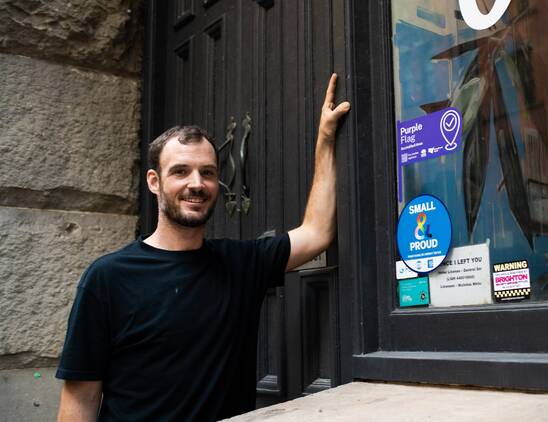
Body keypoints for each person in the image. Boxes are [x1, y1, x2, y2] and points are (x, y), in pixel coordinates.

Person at [55, 74, 351, 421]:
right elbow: (80, 400)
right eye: (180, 171)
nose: (196, 184)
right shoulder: (107, 278)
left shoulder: (241, 263)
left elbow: (316, 232)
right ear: (155, 182)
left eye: (207, 173)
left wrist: (326, 139)